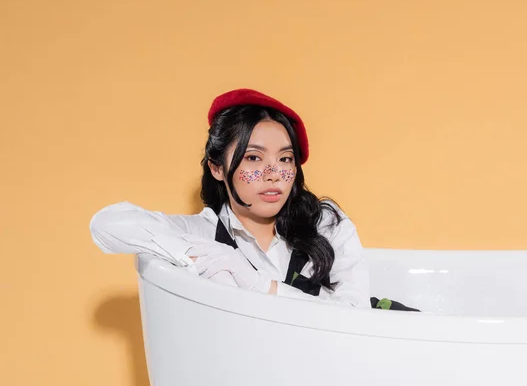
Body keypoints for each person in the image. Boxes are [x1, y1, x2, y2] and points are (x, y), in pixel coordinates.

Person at [90, 88, 371, 308]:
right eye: (253, 157)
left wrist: (263, 286)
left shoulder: (324, 223)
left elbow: (354, 316)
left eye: (285, 158)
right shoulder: (206, 232)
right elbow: (107, 224)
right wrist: (198, 254)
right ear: (217, 167)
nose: (273, 174)